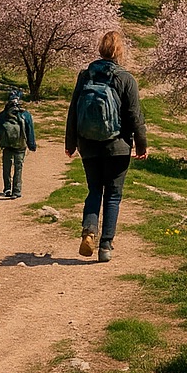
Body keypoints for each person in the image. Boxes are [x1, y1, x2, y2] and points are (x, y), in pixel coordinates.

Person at [65, 29, 148, 263]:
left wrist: (70, 143)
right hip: (118, 147)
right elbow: (135, 116)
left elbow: (73, 110)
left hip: (88, 145)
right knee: (112, 195)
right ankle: (105, 246)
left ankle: (89, 231)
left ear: (101, 49)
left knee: (94, 190)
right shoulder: (126, 79)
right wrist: (141, 146)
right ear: (120, 52)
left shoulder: (85, 76)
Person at [0, 90, 37, 198]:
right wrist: (31, 145)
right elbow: (29, 130)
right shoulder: (25, 114)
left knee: (6, 167)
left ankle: (7, 188)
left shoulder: (3, 115)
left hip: (7, 145)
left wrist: (2, 140)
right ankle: (16, 191)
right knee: (18, 167)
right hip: (20, 145)